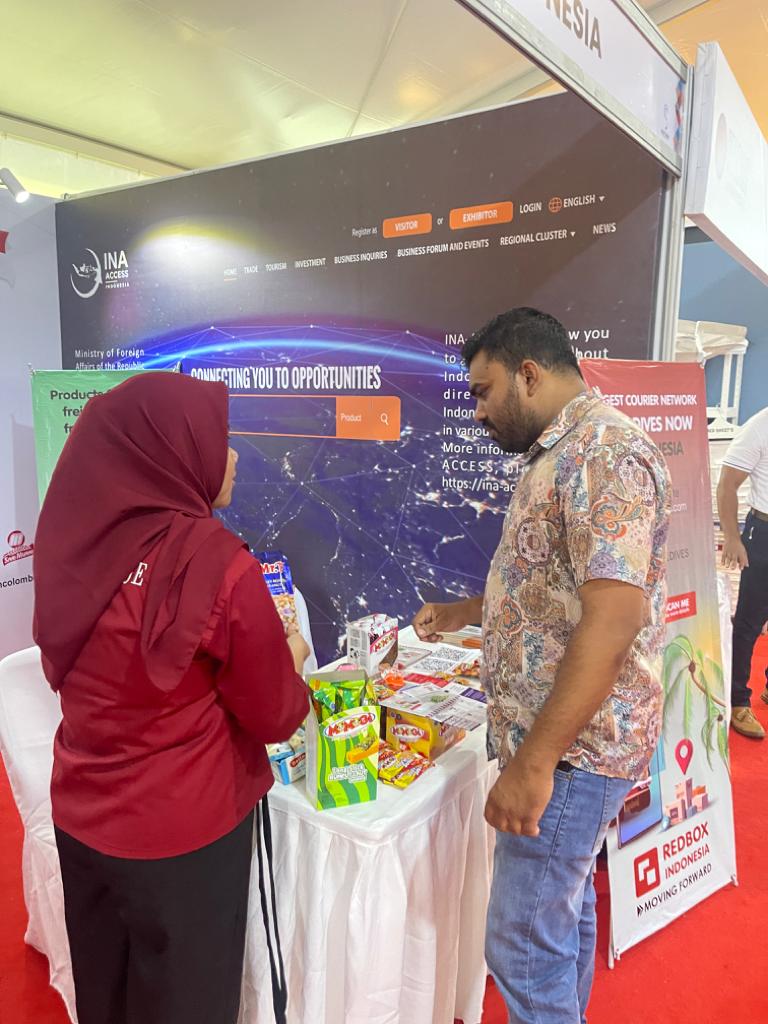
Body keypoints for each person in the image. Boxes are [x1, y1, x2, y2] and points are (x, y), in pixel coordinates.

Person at [413, 308, 671, 1024]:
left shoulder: (603, 453)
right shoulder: (558, 452)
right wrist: (467, 612)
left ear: (528, 374)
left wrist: (533, 765)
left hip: (573, 753)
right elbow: (553, 586)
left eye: (484, 391)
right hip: (566, 745)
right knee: (562, 911)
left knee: (522, 945)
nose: (477, 411)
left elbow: (613, 618)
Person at [33, 372, 309, 1024]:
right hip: (185, 839)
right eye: (219, 438)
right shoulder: (219, 564)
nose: (232, 456)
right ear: (173, 451)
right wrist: (294, 657)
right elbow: (275, 713)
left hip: (82, 820)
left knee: (106, 997)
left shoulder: (72, 545)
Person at [717, 407, 768, 738]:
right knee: (749, 622)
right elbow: (727, 484)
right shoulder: (760, 426)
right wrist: (733, 538)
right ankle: (738, 700)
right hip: (763, 533)